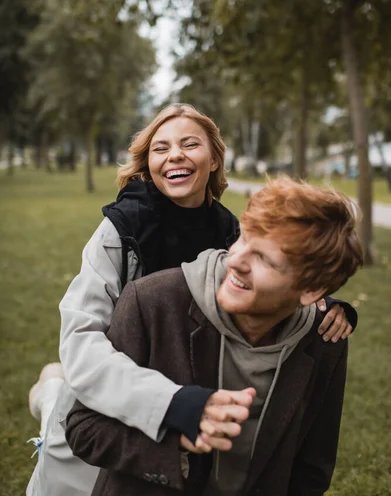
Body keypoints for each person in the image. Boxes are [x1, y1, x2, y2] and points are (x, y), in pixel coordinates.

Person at [26, 105, 355, 496]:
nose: (175, 155)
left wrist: (324, 303)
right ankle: (49, 393)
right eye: (160, 148)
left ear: (214, 158)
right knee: (68, 463)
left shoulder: (230, 228)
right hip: (112, 370)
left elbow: (281, 270)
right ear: (148, 163)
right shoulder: (121, 228)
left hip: (185, 378)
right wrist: (168, 402)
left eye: (189, 144)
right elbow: (81, 344)